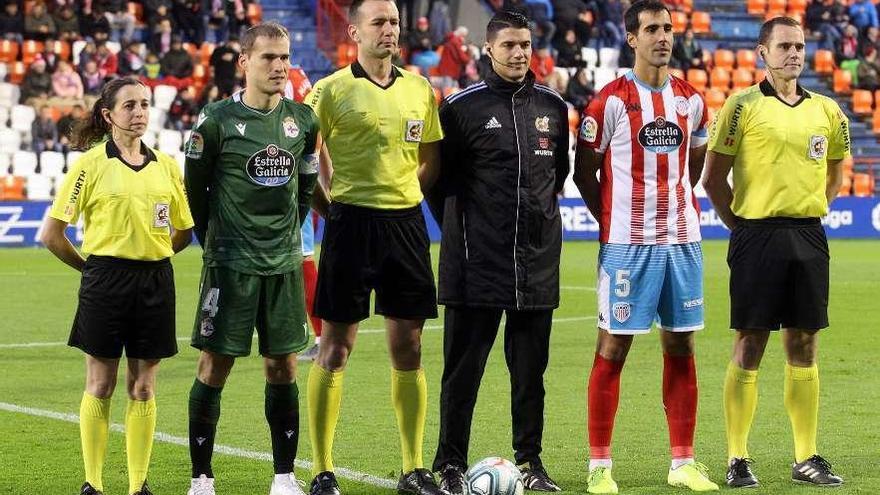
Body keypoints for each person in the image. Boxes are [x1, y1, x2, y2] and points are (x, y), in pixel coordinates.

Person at [572, 1, 719, 493]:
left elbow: (694, 168)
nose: (662, 37)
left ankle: (683, 463)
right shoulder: (608, 101)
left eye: (668, 28)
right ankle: (599, 467)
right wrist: (614, 219)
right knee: (613, 346)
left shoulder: (692, 101)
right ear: (631, 38)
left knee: (681, 344)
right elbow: (584, 174)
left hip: (683, 242)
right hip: (627, 246)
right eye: (651, 29)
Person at [426, 10, 569, 495]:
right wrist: (472, 232)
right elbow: (438, 186)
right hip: (475, 265)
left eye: (525, 44)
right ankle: (448, 464)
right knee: (462, 375)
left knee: (531, 377)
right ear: (488, 50)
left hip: (537, 263)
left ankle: (531, 463)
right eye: (508, 45)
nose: (519, 53)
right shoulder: (460, 109)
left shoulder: (553, 107)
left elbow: (558, 178)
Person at [703, 16, 849, 489]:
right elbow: (712, 178)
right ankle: (737, 458)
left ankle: (806, 457)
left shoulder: (828, 111)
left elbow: (835, 170)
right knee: (751, 343)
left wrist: (815, 206)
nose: (794, 53)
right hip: (756, 235)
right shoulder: (741, 106)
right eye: (784, 45)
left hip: (808, 234)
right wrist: (740, 228)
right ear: (761, 53)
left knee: (804, 345)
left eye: (800, 46)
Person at [303, 0, 443, 493]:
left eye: (394, 22)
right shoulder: (330, 91)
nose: (389, 30)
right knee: (336, 347)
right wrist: (331, 207)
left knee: (409, 345)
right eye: (379, 22)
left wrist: (405, 196)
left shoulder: (420, 89)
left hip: (405, 227)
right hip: (350, 225)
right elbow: (306, 157)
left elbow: (430, 157)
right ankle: (322, 469)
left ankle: (413, 467)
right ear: (355, 31)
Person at [183, 22, 322, 495]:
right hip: (230, 265)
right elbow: (194, 191)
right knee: (214, 366)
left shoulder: (303, 122)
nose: (279, 66)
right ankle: (201, 478)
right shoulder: (216, 121)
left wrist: (284, 237)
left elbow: (305, 191)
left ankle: (284, 477)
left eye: (284, 57)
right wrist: (217, 243)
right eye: (268, 58)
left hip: (282, 265)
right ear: (244, 63)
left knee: (283, 367)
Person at [39, 76, 193, 495]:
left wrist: (153, 255)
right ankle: (93, 483)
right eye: (129, 105)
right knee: (101, 383)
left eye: (144, 104)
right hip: (104, 279)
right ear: (108, 115)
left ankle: (138, 485)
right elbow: (52, 234)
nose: (139, 112)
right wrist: (90, 270)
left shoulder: (167, 165)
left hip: (156, 280)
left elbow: (183, 230)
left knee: (143, 386)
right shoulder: (89, 165)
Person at [283, 64, 325, 362]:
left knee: (303, 260)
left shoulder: (293, 80)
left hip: (294, 184)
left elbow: (315, 131)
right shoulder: (297, 77)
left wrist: (318, 180)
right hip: (285, 182)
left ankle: (324, 337)